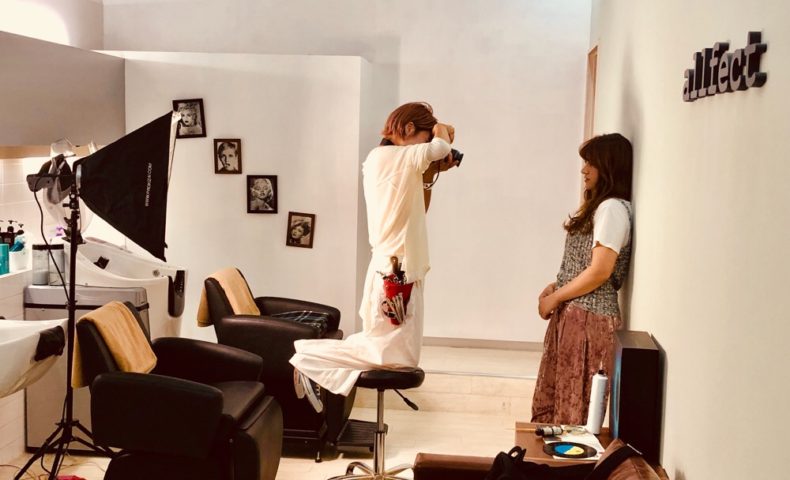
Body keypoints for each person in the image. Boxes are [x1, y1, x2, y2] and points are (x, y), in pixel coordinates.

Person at [289, 102, 459, 411]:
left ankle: (313, 361)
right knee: (394, 357)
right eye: (424, 136)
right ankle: (308, 358)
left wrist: (431, 172)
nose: (426, 144)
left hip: (399, 269)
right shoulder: (388, 156)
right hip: (396, 272)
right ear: (409, 129)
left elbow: (420, 208)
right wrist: (441, 130)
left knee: (397, 354)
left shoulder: (393, 161)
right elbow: (441, 146)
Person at [531, 133, 633, 426]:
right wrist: (557, 286)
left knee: (573, 409)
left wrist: (556, 297)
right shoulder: (602, 207)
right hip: (577, 316)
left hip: (589, 320)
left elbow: (601, 271)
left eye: (591, 163)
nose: (583, 170)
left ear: (608, 167)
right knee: (558, 403)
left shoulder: (612, 209)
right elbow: (588, 266)